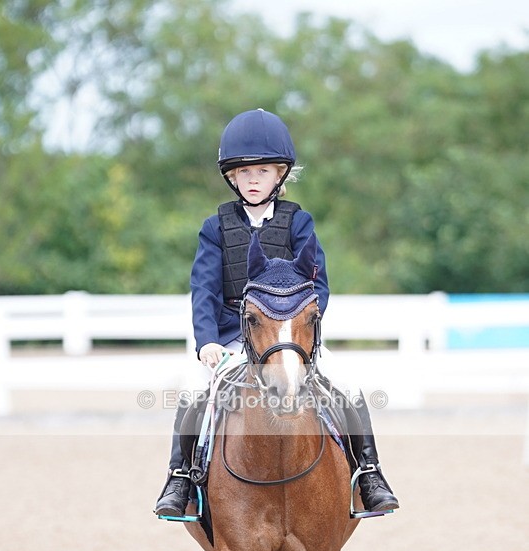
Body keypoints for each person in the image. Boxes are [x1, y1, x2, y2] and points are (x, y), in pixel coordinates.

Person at [154, 108, 398, 518]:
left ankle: (370, 473)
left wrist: (299, 333)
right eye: (245, 172)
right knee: (192, 389)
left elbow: (317, 284)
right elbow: (204, 289)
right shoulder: (214, 227)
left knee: (350, 384)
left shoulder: (298, 222)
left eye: (263, 171)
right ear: (231, 176)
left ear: (281, 174)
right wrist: (207, 341)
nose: (253, 179)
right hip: (233, 336)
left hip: (289, 337)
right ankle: (180, 478)